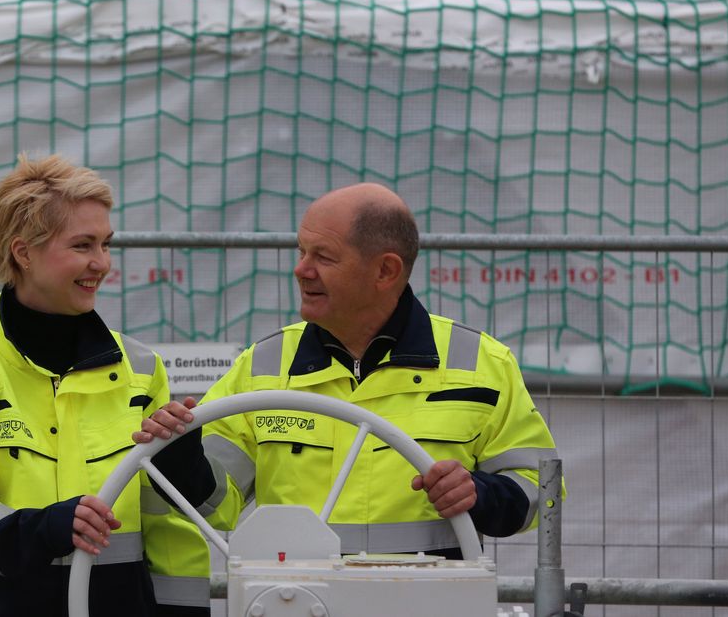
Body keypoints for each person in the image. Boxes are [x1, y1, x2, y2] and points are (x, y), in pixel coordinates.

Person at [138, 182, 561, 559]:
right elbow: (217, 503)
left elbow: (543, 491)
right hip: (298, 603)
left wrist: (480, 494)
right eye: (301, 251)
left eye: (323, 256)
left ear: (386, 271)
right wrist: (179, 452)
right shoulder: (262, 365)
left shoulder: (483, 364)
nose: (301, 270)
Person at [0, 154, 209, 617]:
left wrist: (183, 458)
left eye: (106, 244)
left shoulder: (141, 369)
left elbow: (173, 525)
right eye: (83, 245)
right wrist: (46, 528)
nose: (102, 263)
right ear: (23, 253)